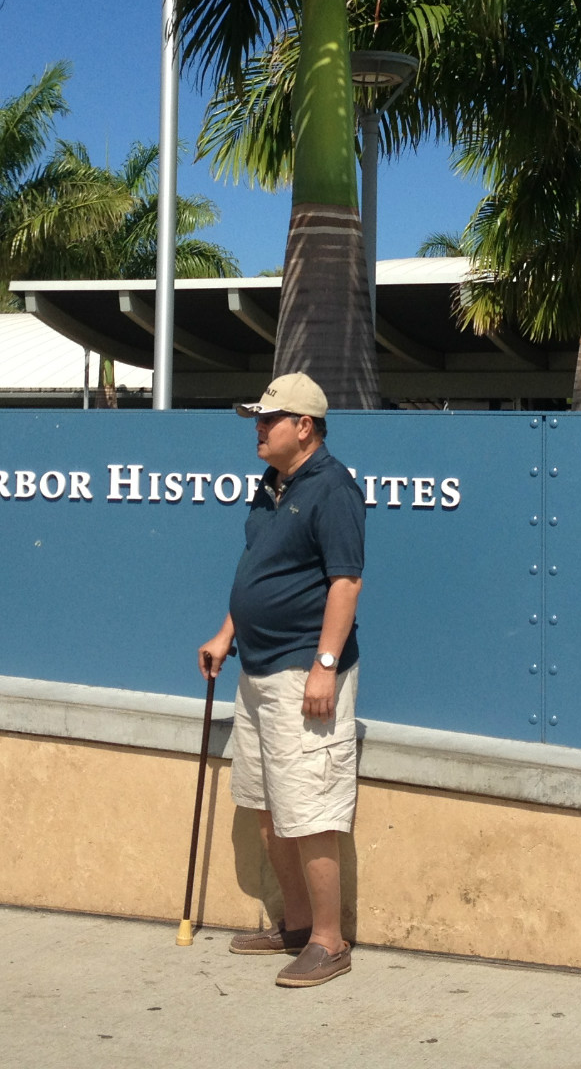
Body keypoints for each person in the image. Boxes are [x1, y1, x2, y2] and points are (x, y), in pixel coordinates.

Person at [197, 372, 365, 989]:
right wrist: (226, 633)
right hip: (256, 669)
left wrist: (324, 666)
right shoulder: (271, 485)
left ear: (305, 426)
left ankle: (328, 939)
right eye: (257, 420)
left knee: (311, 810)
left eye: (269, 420)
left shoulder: (334, 489)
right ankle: (294, 926)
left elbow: (344, 582)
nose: (259, 430)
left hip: (304, 673)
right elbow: (258, 571)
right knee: (267, 807)